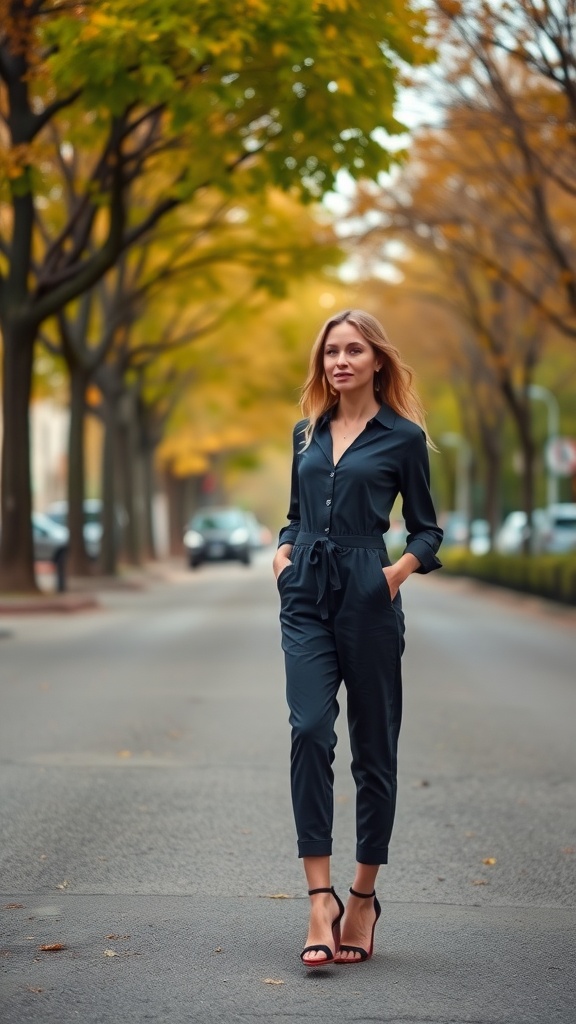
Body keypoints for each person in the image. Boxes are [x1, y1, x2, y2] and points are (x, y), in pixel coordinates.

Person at [273, 309, 443, 967]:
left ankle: (363, 897)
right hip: (306, 594)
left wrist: (395, 575)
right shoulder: (303, 434)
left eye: (352, 350)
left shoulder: (402, 437)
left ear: (376, 361)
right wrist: (284, 553)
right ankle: (320, 898)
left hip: (368, 595)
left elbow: (427, 530)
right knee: (310, 728)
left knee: (374, 749)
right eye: (330, 352)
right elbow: (294, 512)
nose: (339, 361)